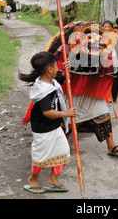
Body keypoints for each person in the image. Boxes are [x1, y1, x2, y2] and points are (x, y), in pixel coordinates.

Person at [19, 52, 76, 194]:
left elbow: (62, 80)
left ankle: (53, 178)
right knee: (41, 154)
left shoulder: (51, 81)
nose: (58, 68)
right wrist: (66, 113)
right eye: (56, 66)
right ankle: (33, 178)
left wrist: (67, 70)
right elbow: (47, 112)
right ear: (49, 69)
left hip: (54, 125)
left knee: (63, 150)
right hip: (43, 128)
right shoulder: (43, 90)